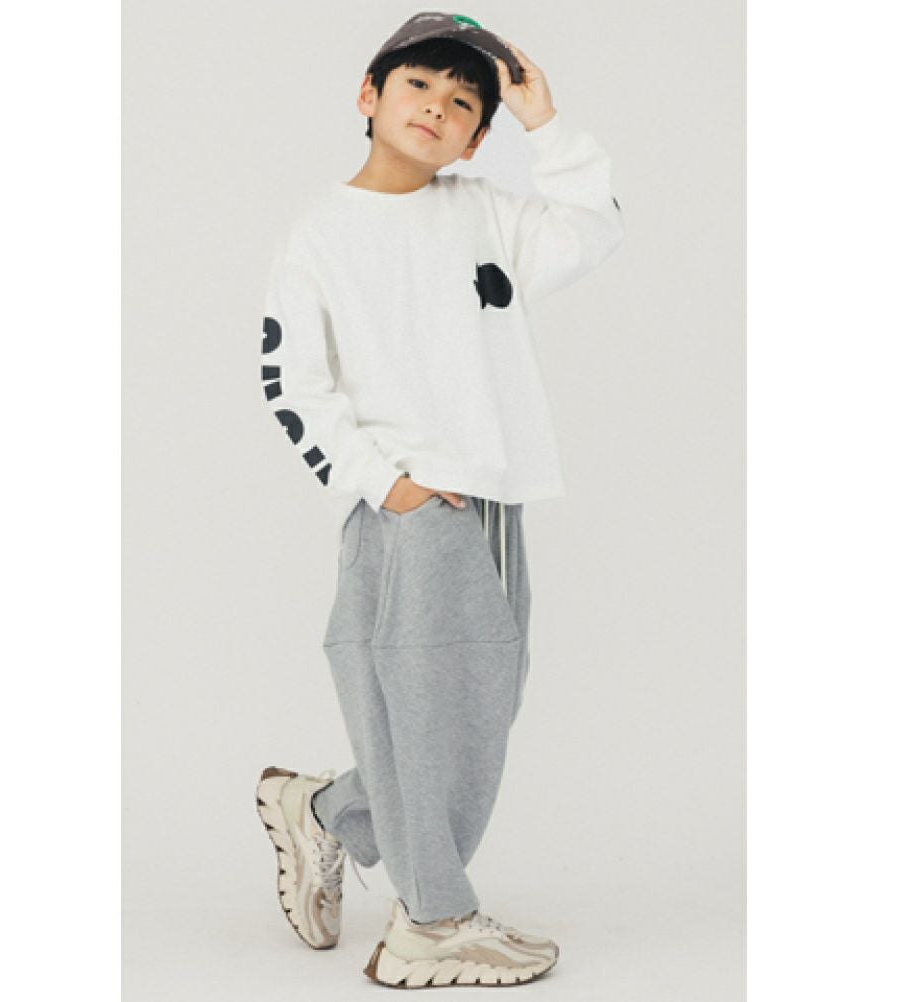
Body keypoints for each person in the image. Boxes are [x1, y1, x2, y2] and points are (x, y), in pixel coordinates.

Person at [255, 11, 625, 989]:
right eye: (418, 84)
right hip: (412, 510)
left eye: (464, 102)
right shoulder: (320, 235)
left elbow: (593, 228)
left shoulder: (483, 215)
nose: (437, 107)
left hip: (496, 500)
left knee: (474, 719)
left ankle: (327, 811)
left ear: (475, 138)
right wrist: (392, 488)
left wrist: (546, 124)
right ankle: (432, 920)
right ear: (369, 95)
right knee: (429, 720)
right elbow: (294, 382)